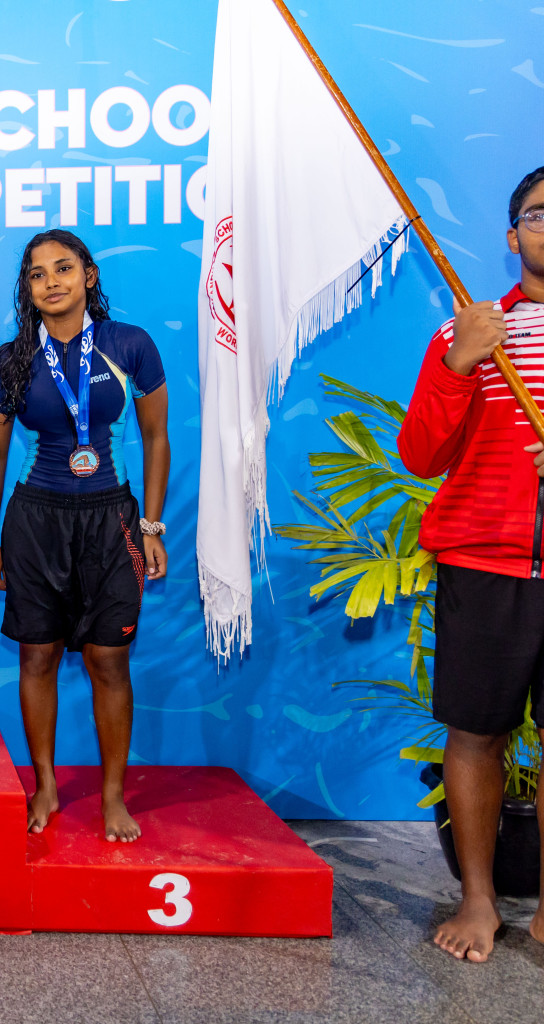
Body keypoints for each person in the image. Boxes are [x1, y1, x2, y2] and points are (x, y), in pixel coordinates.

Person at [0, 229, 170, 843]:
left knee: (107, 660)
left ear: (88, 275)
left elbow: (157, 439)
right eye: (37, 274)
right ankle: (45, 785)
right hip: (35, 520)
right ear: (27, 290)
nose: (51, 281)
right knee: (37, 654)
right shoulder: (11, 360)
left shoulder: (130, 345)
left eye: (64, 268)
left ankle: (113, 796)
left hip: (111, 519)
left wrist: (152, 527)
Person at [397, 165, 544, 963]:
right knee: (476, 736)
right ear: (512, 233)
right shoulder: (473, 332)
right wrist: (461, 365)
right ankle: (479, 900)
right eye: (539, 212)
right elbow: (421, 454)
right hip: (486, 564)